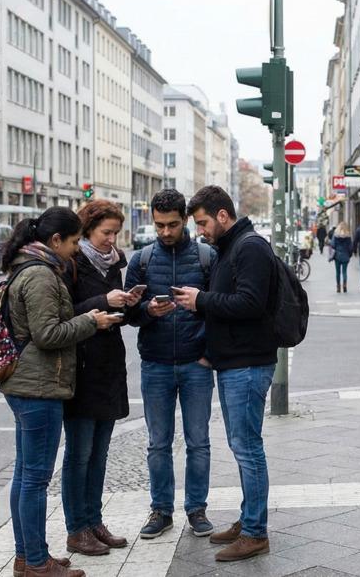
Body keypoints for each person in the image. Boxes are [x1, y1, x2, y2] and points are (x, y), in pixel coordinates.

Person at [0, 207, 120, 577]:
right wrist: (90, 320)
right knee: (34, 478)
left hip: (29, 384)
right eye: (72, 242)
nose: (74, 249)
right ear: (55, 241)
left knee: (25, 475)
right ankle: (35, 561)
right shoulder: (40, 274)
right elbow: (47, 334)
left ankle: (28, 556)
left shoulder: (31, 266)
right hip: (38, 386)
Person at [172, 185, 278, 563]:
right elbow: (230, 301)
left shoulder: (249, 247)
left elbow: (250, 303)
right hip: (234, 362)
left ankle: (255, 532)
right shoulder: (230, 247)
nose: (199, 230)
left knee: (248, 448)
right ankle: (249, 519)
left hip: (248, 365)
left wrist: (201, 300)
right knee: (242, 445)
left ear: (221, 215)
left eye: (202, 223)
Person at [123, 189, 217, 540]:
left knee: (199, 442)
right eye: (159, 225)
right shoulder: (142, 260)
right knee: (158, 443)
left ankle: (197, 509)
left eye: (172, 225)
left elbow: (219, 307)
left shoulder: (207, 257)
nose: (165, 232)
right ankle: (161, 510)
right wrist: (147, 310)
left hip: (196, 363)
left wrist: (211, 353)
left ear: (185, 220)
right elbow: (127, 313)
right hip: (156, 363)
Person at [60, 201, 140, 556]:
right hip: (81, 366)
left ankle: (95, 522)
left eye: (115, 233)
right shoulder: (70, 263)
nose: (111, 240)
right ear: (88, 229)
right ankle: (76, 530)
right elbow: (62, 315)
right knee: (79, 454)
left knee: (100, 453)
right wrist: (103, 300)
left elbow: (115, 311)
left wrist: (133, 304)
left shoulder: (113, 263)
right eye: (106, 232)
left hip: (109, 365)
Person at [330, 222, 352, 294]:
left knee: (338, 272)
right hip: (345, 255)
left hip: (337, 256)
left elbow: (332, 245)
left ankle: (338, 287)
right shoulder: (348, 235)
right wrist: (350, 254)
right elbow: (350, 247)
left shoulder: (336, 235)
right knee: (344, 272)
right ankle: (345, 286)